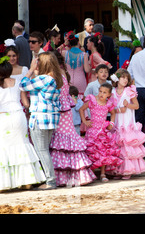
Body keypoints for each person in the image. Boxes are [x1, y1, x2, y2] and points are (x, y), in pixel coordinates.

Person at [49, 51, 96, 187]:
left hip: (61, 111)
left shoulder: (55, 75)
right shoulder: (62, 73)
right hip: (65, 111)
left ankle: (64, 177)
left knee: (62, 141)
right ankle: (76, 175)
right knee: (67, 140)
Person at [0, 57, 46, 191]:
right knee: (22, 145)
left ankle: (4, 183)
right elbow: (26, 103)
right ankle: (27, 181)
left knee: (4, 148)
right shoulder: (18, 81)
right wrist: (32, 67)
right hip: (19, 116)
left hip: (3, 118)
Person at [19, 52, 63, 190]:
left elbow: (23, 85)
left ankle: (50, 181)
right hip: (50, 118)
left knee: (42, 150)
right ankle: (49, 179)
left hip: (40, 118)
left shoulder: (44, 78)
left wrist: (31, 70)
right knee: (45, 150)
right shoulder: (55, 78)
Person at [109, 69, 145, 179]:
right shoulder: (112, 92)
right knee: (118, 147)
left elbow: (136, 106)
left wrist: (128, 106)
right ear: (117, 79)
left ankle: (128, 170)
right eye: (123, 77)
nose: (125, 80)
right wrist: (116, 110)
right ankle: (118, 170)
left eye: (127, 78)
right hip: (117, 123)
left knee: (127, 148)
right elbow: (109, 107)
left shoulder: (129, 91)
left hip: (127, 123)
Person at [80, 82, 122, 182]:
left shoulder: (109, 104)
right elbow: (81, 109)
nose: (101, 94)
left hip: (103, 132)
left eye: (104, 92)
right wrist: (85, 120)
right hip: (92, 131)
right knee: (92, 152)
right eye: (100, 91)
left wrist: (111, 122)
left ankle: (103, 174)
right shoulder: (93, 101)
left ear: (109, 95)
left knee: (103, 153)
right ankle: (91, 173)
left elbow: (113, 113)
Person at [83, 64, 112, 135]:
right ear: (96, 74)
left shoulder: (111, 84)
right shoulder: (91, 85)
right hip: (95, 116)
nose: (104, 74)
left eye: (106, 72)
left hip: (107, 114)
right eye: (101, 72)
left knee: (106, 133)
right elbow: (85, 98)